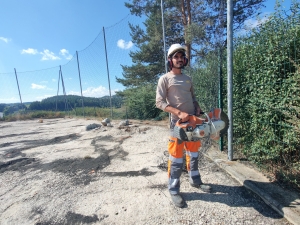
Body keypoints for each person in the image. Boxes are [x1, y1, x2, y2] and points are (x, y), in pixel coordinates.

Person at [156, 43, 211, 208]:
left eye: (181, 57)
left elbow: (193, 98)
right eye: (176, 57)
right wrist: (178, 113)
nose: (179, 59)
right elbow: (159, 102)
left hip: (192, 122)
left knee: (194, 154)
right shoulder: (164, 79)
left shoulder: (188, 79)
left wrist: (197, 106)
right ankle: (173, 190)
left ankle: (196, 180)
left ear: (185, 60)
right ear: (170, 60)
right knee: (176, 158)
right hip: (177, 124)